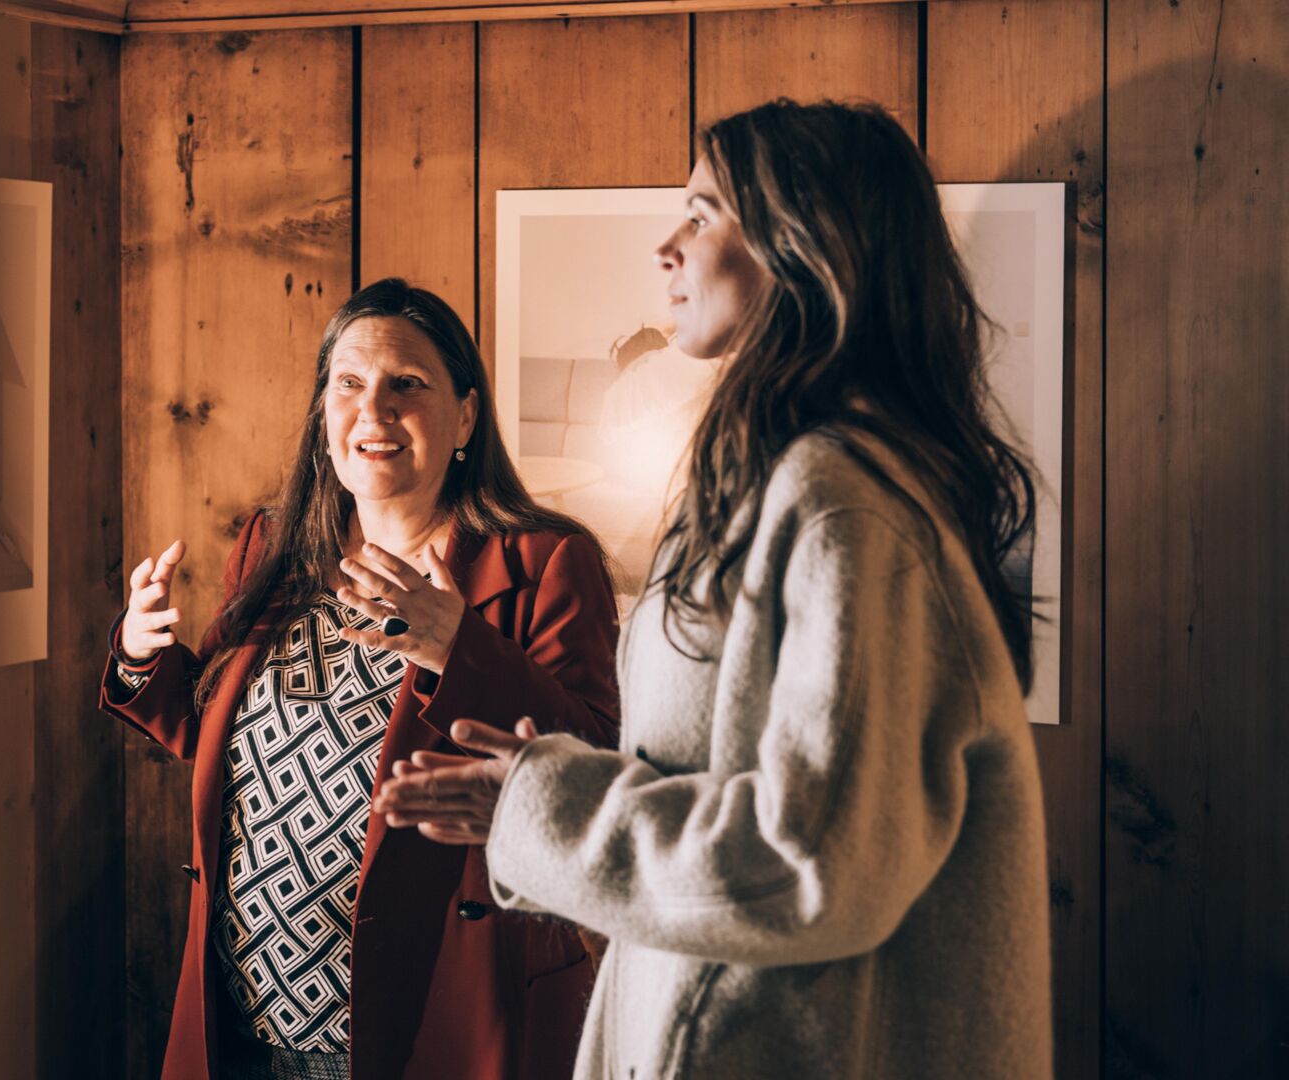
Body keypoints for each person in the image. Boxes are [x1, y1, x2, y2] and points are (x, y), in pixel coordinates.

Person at [375, 100, 1055, 1079]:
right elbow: (744, 795)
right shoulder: (782, 484)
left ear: (804, 244)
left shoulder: (842, 505)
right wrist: (545, 781)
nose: (667, 245)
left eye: (702, 213)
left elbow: (813, 864)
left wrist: (540, 811)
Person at [103, 279, 621, 1079]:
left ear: (466, 418)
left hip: (429, 1025)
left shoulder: (544, 561)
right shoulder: (275, 545)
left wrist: (461, 649)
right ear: (322, 413)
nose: (372, 412)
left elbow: (595, 769)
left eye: (406, 385)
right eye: (348, 383)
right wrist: (143, 653)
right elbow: (225, 744)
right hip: (248, 1016)